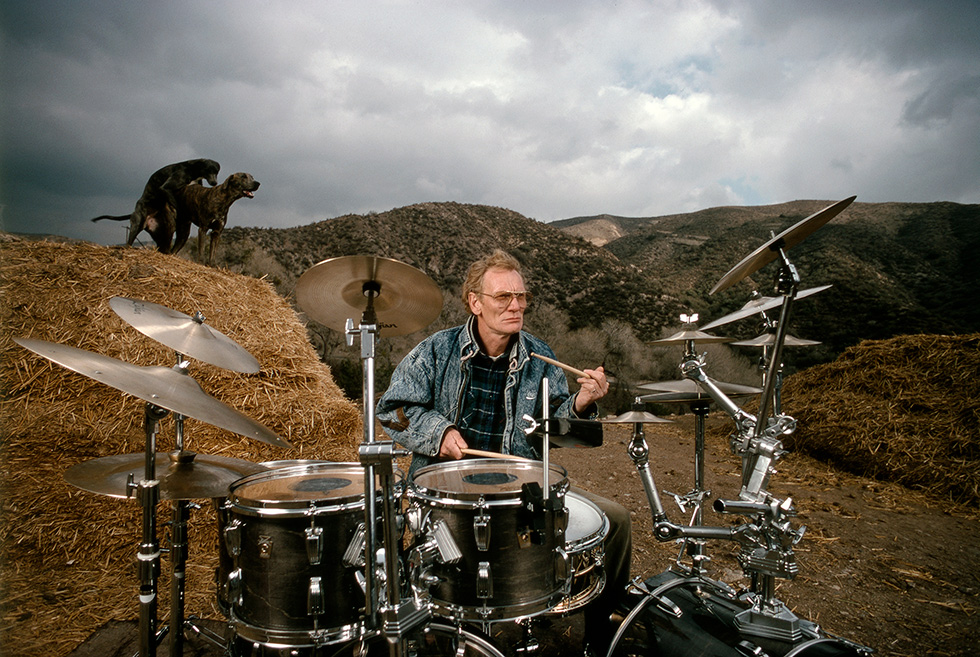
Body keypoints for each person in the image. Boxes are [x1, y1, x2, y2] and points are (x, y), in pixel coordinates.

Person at [377, 249, 631, 656]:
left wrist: (582, 402)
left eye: (522, 297)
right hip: (448, 496)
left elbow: (557, 431)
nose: (516, 306)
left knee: (615, 520)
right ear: (475, 302)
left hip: (519, 488)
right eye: (503, 297)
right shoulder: (435, 351)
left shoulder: (539, 358)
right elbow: (393, 411)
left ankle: (602, 639)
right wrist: (438, 432)